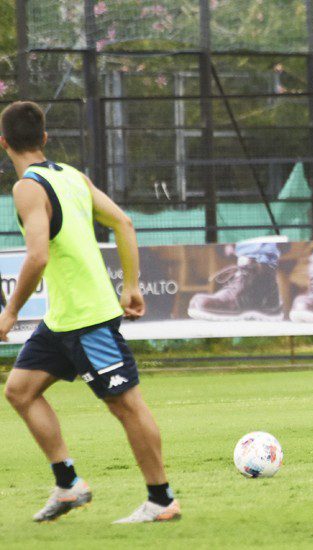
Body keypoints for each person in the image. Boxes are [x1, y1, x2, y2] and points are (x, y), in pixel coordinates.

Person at [0, 101, 180, 523]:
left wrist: (9, 312)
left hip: (87, 320)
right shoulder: (72, 177)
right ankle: (68, 485)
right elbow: (124, 223)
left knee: (126, 406)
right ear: (44, 139)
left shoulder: (27, 187)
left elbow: (38, 256)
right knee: (20, 391)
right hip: (63, 320)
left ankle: (161, 500)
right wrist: (131, 285)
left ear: (3, 142)